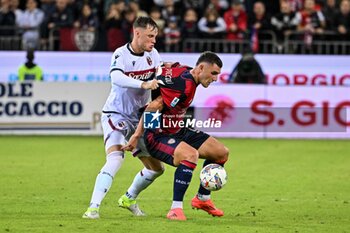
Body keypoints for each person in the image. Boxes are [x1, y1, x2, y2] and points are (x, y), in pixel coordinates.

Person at [123, 51, 229, 221]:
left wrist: (161, 67)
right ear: (201, 68)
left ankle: (202, 198)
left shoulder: (186, 71)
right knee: (190, 155)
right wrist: (137, 136)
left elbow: (169, 66)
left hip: (177, 129)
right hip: (157, 135)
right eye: (213, 73)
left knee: (221, 153)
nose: (215, 79)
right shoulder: (182, 87)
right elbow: (153, 106)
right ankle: (175, 209)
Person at [82, 16, 165, 219]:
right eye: (150, 36)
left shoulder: (153, 55)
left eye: (155, 36)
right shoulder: (121, 54)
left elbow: (160, 82)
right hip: (116, 114)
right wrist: (143, 84)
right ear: (137, 33)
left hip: (141, 118)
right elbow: (116, 77)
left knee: (157, 168)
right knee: (116, 158)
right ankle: (93, 208)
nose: (154, 41)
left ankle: (128, 198)